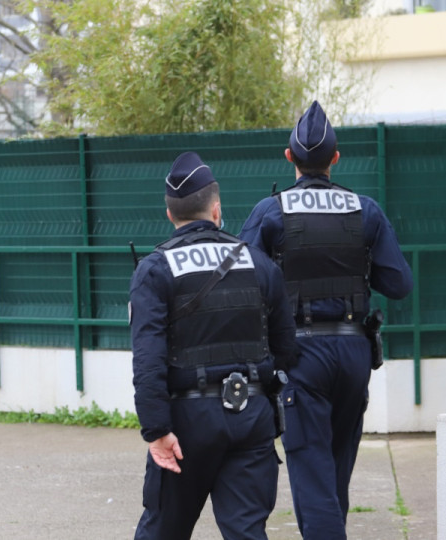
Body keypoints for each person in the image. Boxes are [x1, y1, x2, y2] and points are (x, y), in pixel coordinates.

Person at [239, 101, 413, 539]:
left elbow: (242, 283)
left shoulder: (271, 212)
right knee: (334, 470)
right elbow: (400, 285)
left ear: (288, 157)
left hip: (300, 355)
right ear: (336, 158)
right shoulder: (365, 211)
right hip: (354, 353)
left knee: (312, 469)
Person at [130, 152, 297, 540]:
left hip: (187, 424)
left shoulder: (155, 269)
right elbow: (287, 348)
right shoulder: (258, 263)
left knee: (162, 531)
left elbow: (148, 359)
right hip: (252, 416)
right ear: (217, 210)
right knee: (246, 532)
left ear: (170, 214)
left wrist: (157, 430)